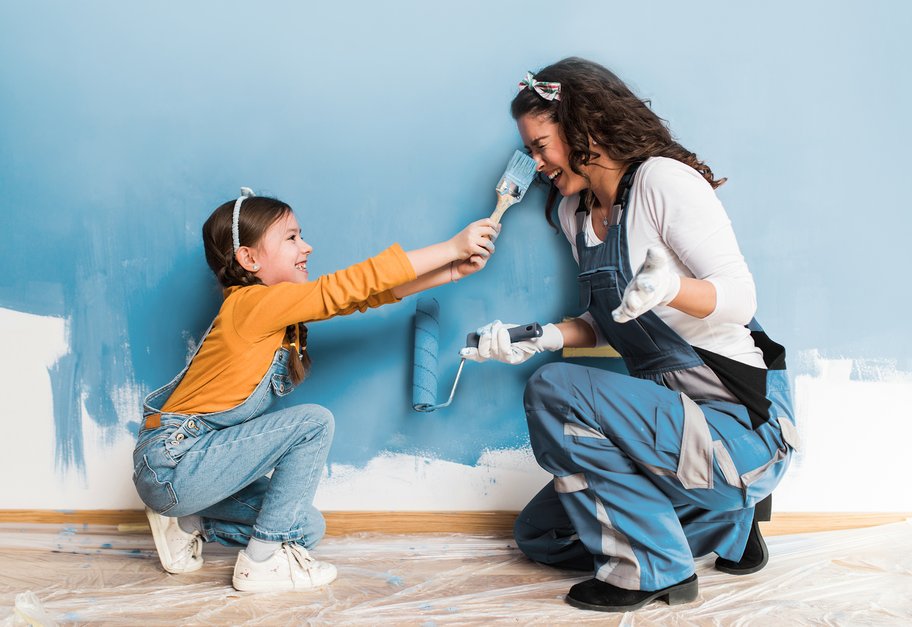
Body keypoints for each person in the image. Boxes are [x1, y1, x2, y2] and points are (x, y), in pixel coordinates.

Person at [461, 58, 800, 612]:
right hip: (668, 426)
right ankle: (730, 525)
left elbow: (740, 299)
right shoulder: (577, 213)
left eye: (542, 144)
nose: (536, 162)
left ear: (583, 129)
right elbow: (610, 324)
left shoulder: (662, 182)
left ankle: (655, 571)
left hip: (732, 425)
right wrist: (539, 337)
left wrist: (671, 287)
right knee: (543, 536)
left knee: (552, 389)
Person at [133, 188, 499, 592]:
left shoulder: (276, 313)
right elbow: (346, 287)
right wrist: (450, 247)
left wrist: (450, 271)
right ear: (249, 259)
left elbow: (360, 298)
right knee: (313, 423)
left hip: (196, 475)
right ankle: (260, 565)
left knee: (305, 527)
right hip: (173, 464)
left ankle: (188, 523)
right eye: (290, 237)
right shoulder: (250, 305)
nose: (306, 245)